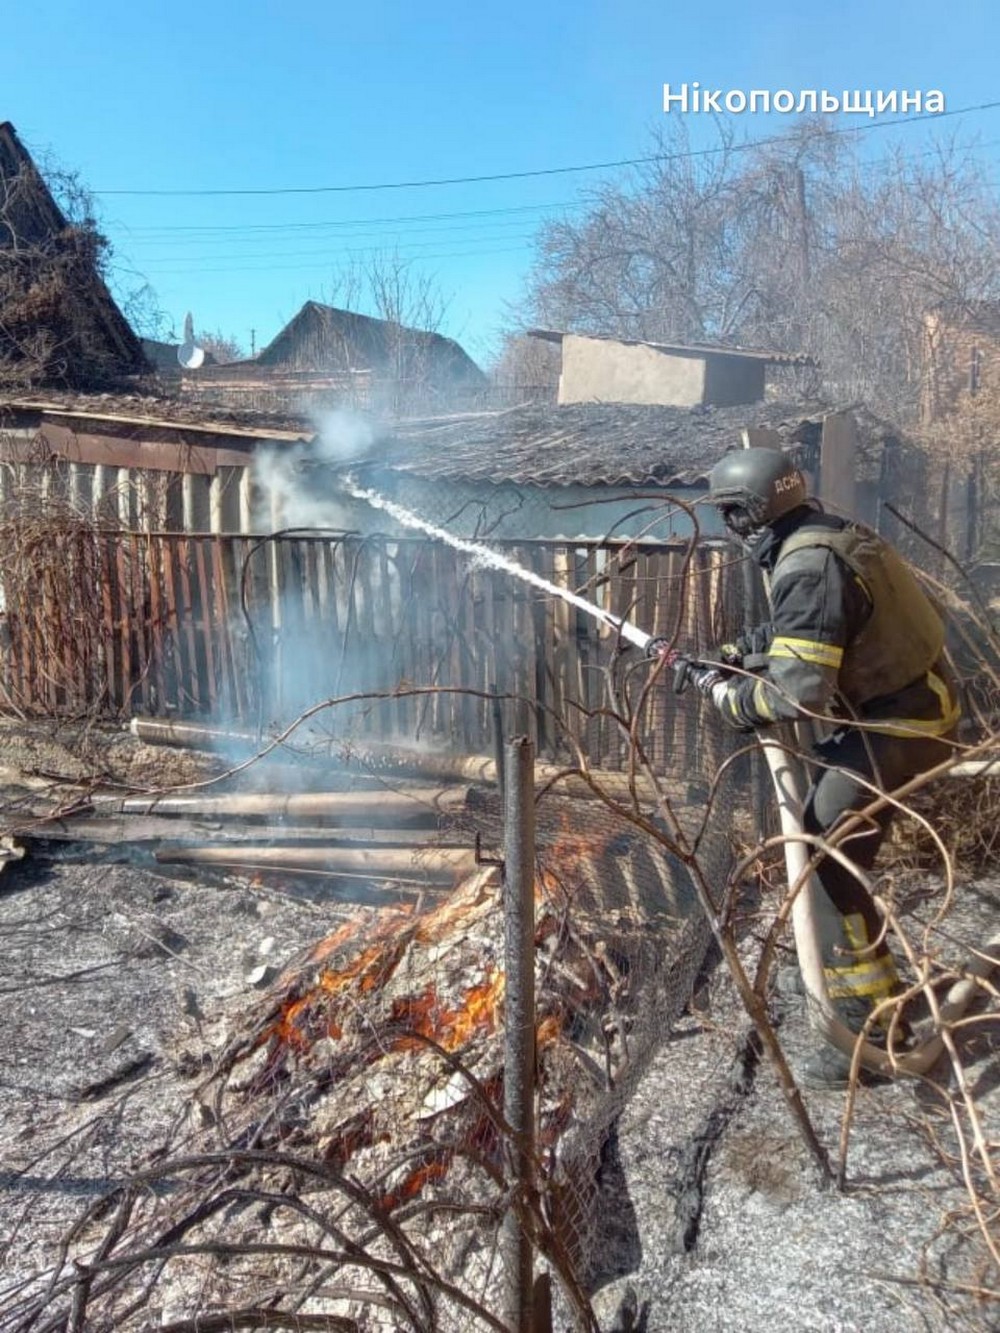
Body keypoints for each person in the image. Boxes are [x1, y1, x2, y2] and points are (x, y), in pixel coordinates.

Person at [661, 446, 960, 1088]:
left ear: (748, 513)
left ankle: (870, 1030)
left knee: (825, 849)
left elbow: (798, 695)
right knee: (822, 840)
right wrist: (732, 655)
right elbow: (809, 631)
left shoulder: (807, 563)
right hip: (898, 707)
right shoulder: (818, 535)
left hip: (904, 724)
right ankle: (845, 969)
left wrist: (729, 699)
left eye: (730, 514)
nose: (727, 527)